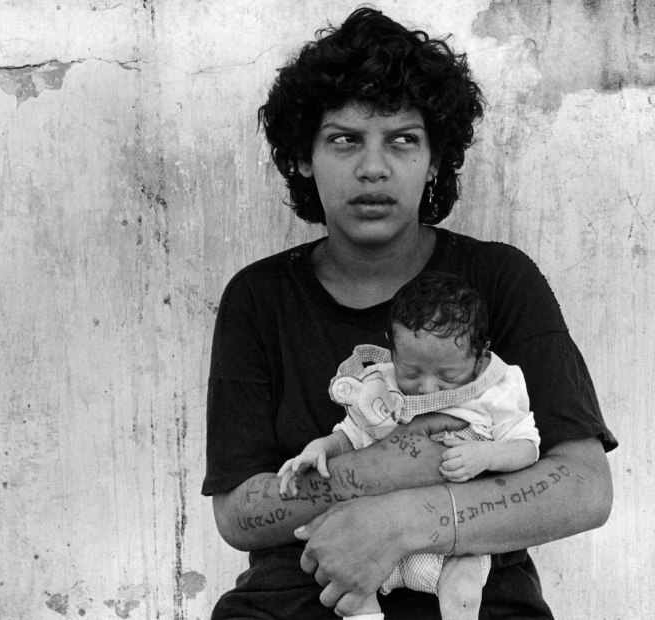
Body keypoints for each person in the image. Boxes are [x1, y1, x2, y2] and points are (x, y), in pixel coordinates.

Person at [202, 7, 617, 620]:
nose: (374, 167)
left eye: (403, 139)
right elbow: (240, 514)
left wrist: (403, 521)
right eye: (344, 138)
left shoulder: (499, 279)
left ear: (433, 160)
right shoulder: (259, 297)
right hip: (294, 602)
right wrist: (386, 468)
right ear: (303, 158)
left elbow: (584, 488)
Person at [277, 272, 541, 620]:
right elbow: (352, 432)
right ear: (392, 349)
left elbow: (528, 447)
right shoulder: (381, 385)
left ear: (480, 355)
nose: (427, 388)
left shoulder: (496, 389)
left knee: (464, 586)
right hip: (371, 536)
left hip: (450, 541)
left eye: (447, 376)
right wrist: (321, 447)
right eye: (411, 373)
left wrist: (488, 455)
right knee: (347, 586)